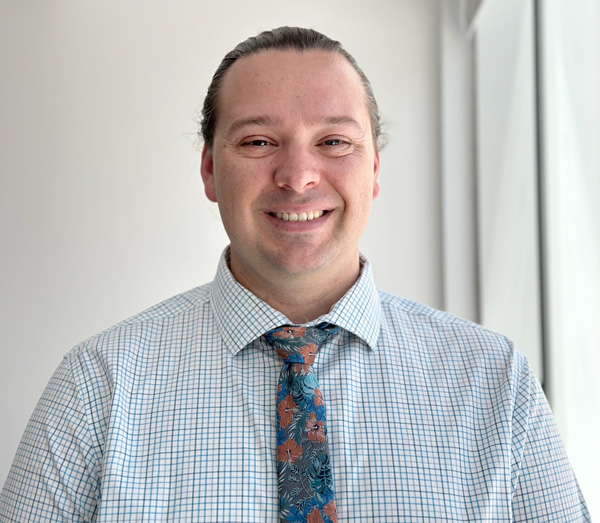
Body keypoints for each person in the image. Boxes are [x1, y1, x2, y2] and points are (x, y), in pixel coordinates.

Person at [0, 27, 589, 523]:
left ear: (375, 169)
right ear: (209, 169)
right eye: (259, 141)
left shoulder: (494, 380)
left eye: (334, 141)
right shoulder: (97, 387)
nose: (298, 175)